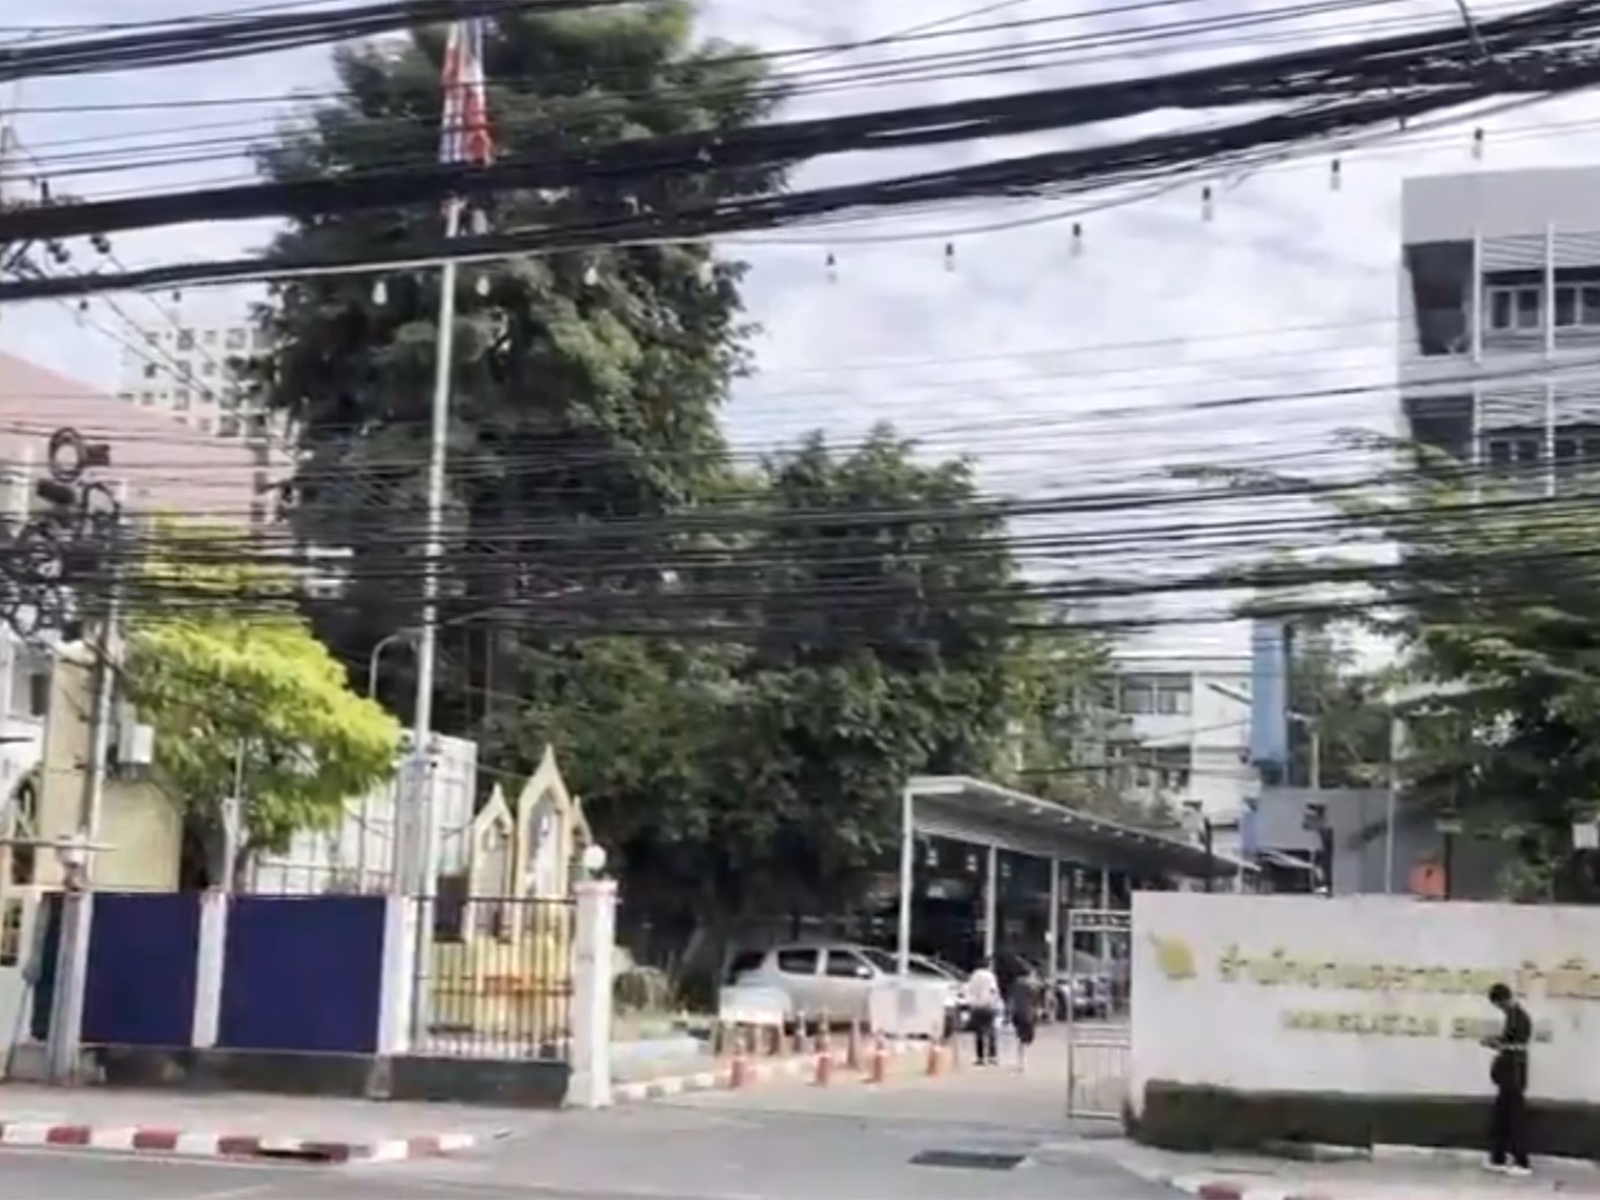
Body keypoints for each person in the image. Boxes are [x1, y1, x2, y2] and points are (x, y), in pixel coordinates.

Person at [1481, 982, 1532, 1176]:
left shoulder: (1518, 1017)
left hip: (1513, 1075)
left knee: (1513, 1119)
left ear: (1501, 1000)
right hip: (1509, 1075)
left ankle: (1521, 1161)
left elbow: (1517, 1046)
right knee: (1502, 1117)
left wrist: (1495, 1043)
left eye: (1497, 1004)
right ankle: (1498, 1157)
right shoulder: (1514, 1016)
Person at [967, 956, 1000, 1066]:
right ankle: (992, 1057)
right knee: (991, 1031)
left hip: (976, 1006)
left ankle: (980, 1058)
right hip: (988, 1005)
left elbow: (969, 991)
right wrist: (996, 1002)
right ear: (988, 965)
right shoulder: (990, 976)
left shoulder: (974, 976)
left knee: (979, 1033)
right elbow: (993, 991)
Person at [1008, 965, 1042, 1071]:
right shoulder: (1033, 986)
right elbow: (1036, 1002)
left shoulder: (1016, 985)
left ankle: (1020, 1061)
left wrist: (1009, 1012)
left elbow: (1012, 999)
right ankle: (1021, 1061)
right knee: (1026, 1038)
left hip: (1018, 1013)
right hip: (1028, 1014)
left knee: (1021, 1037)